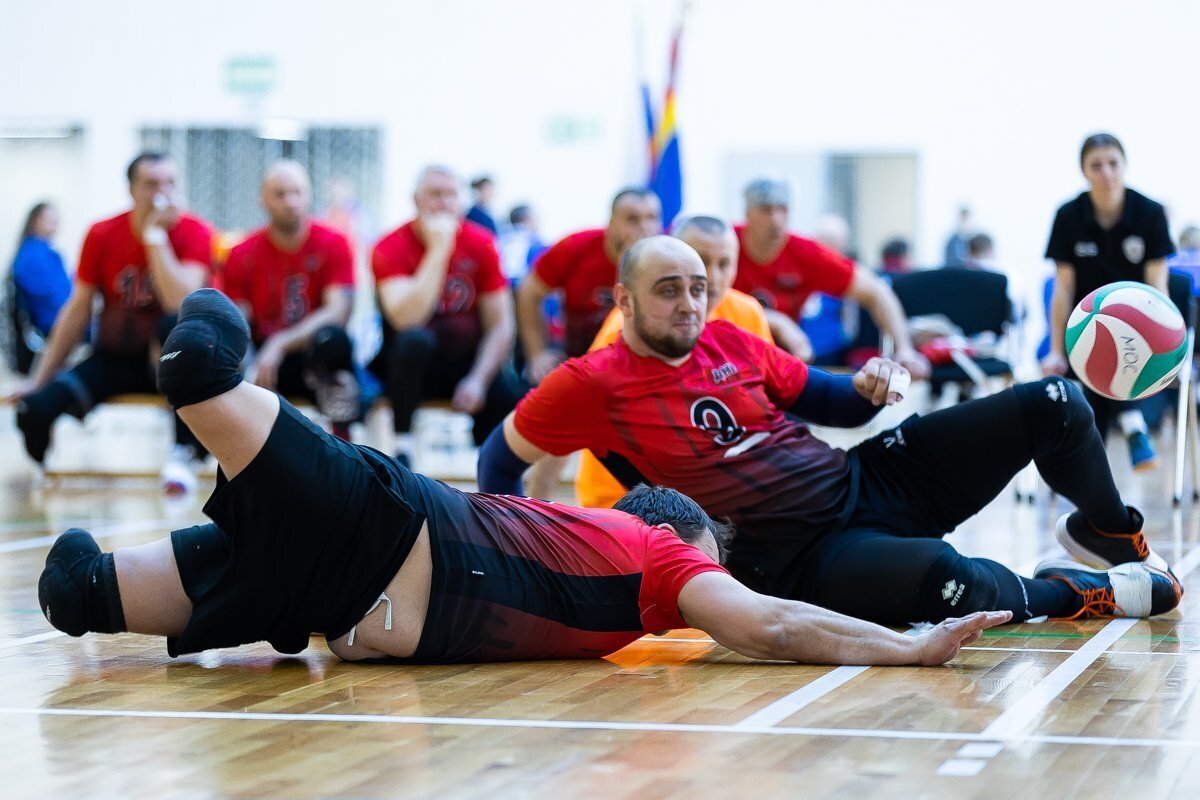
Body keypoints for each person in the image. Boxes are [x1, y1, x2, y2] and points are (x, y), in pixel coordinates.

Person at [36, 287, 1012, 666]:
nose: (721, 576)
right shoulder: (661, 555)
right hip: (366, 571)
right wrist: (907, 649)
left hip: (357, 553)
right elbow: (776, 623)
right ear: (681, 529)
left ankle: (207, 337)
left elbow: (773, 617)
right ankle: (209, 329)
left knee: (85, 580)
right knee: (194, 387)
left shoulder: (627, 564)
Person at [479, 235, 1184, 628]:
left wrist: (870, 384)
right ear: (625, 300)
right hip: (796, 556)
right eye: (669, 290)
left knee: (1056, 400)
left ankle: (1109, 531)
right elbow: (498, 459)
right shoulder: (590, 382)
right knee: (946, 580)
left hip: (866, 479)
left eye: (698, 287)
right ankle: (1079, 592)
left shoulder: (731, 339)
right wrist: (524, 557)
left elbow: (833, 403)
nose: (690, 303)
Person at [8, 152, 214, 493]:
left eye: (170, 183)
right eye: (151, 184)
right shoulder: (102, 233)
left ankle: (184, 454)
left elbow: (180, 302)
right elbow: (77, 311)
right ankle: (43, 469)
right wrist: (38, 380)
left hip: (169, 369)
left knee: (172, 325)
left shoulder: (195, 231)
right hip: (112, 361)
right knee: (34, 410)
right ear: (132, 190)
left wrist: (155, 238)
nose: (163, 193)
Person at [574, 215, 774, 509]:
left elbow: (766, 404)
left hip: (712, 492)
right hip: (623, 498)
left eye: (724, 263)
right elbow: (576, 409)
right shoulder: (631, 323)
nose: (713, 277)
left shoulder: (747, 313)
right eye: (702, 261)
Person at [369, 165, 521, 464]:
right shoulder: (391, 245)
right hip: (407, 368)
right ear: (416, 199)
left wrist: (478, 380)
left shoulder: (482, 243)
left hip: (464, 364)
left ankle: (494, 471)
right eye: (435, 194)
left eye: (452, 195)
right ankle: (402, 449)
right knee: (415, 340)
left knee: (506, 390)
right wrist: (438, 250)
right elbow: (406, 319)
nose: (444, 203)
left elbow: (501, 326)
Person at [1042, 133, 1175, 471]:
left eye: (1113, 163)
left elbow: (1158, 285)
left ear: (1125, 165)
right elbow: (1063, 289)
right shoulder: (1068, 216)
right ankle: (1132, 427)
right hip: (1083, 325)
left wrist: (1168, 341)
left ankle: (1092, 465)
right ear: (1083, 171)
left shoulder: (1150, 213)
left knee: (1113, 350)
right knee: (1098, 347)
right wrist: (1056, 349)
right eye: (1096, 166)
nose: (1107, 173)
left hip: (1139, 326)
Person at [734, 179, 930, 379]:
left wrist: (904, 348)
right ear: (748, 213)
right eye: (766, 210)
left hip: (781, 365)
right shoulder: (726, 243)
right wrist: (775, 321)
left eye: (783, 209)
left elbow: (877, 291)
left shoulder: (805, 254)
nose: (776, 220)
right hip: (726, 358)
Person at [222, 161, 360, 440]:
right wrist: (247, 368)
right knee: (224, 347)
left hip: (313, 355)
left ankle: (343, 443)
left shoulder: (335, 243)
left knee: (334, 340)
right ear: (263, 199)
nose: (291, 202)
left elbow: (338, 313)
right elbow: (238, 321)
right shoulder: (242, 253)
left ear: (309, 195)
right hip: (265, 360)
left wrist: (280, 343)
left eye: (297, 192)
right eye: (280, 194)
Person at [517, 188, 662, 385]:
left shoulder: (671, 258)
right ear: (611, 223)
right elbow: (529, 292)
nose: (645, 228)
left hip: (643, 368)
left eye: (652, 218)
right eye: (632, 219)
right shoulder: (577, 247)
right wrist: (537, 354)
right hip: (578, 362)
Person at [6, 202, 71, 374]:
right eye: (50, 220)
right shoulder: (32, 255)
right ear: (35, 221)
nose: (55, 224)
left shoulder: (48, 252)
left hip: (59, 317)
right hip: (51, 322)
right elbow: (52, 298)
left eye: (56, 220)